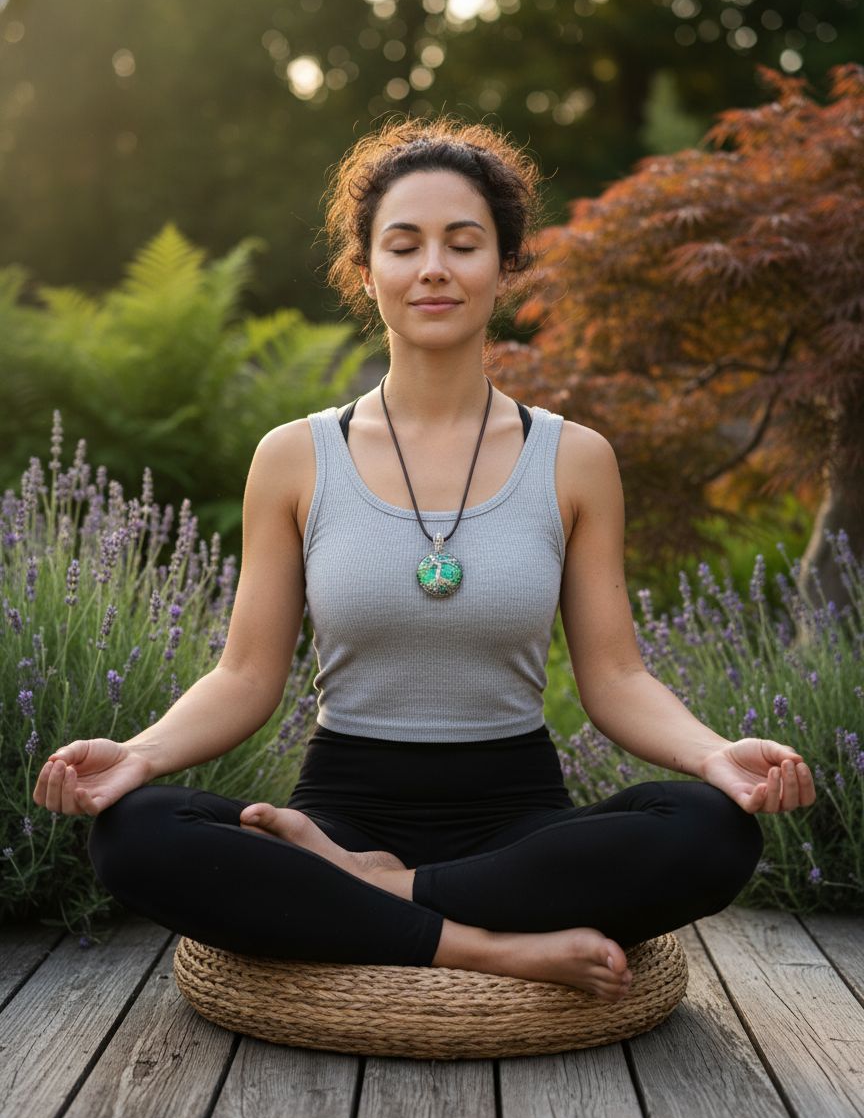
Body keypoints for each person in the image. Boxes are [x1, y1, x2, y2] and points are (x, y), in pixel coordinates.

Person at [32, 116, 816, 1005]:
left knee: (713, 834)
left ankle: (382, 897)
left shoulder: (574, 458)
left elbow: (617, 677)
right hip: (340, 804)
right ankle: (487, 947)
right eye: (403, 246)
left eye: (464, 243)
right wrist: (138, 754)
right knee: (136, 835)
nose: (434, 268)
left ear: (507, 268)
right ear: (366, 274)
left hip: (518, 818)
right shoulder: (294, 457)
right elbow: (247, 676)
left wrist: (717, 757)